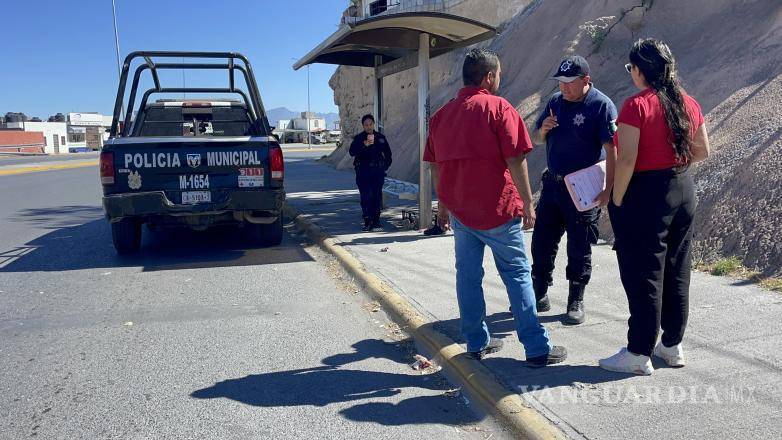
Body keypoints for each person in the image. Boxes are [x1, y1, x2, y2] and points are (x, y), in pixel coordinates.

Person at [424, 48, 566, 367]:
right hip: (498, 211)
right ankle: (536, 348)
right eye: (498, 75)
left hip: (461, 214)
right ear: (489, 77)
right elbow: (516, 160)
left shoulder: (441, 116)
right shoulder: (499, 108)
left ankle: (476, 342)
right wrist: (529, 203)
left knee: (468, 277)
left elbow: (435, 166)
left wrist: (444, 208)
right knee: (516, 274)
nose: (499, 79)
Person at [599, 39, 710, 375]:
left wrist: (616, 198)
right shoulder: (687, 102)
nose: (630, 73)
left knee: (644, 273)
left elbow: (628, 158)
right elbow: (702, 150)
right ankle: (672, 345)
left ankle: (638, 351)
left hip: (646, 194)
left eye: (630, 67)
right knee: (678, 269)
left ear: (640, 70)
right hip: (682, 188)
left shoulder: (636, 105)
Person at [530, 55, 618, 325]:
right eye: (561, 82)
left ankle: (575, 299)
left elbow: (612, 150)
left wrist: (607, 188)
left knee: (579, 246)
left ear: (586, 81)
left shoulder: (601, 106)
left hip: (583, 187)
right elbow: (534, 139)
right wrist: (542, 130)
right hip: (553, 185)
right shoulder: (555, 102)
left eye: (570, 82)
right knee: (542, 243)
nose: (564, 87)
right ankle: (539, 292)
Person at [349, 114, 392, 232]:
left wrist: (384, 167)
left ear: (373, 124)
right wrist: (364, 145)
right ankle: (367, 221)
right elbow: (352, 152)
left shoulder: (380, 137)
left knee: (377, 196)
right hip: (363, 171)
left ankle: (376, 221)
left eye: (370, 124)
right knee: (366, 196)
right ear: (363, 126)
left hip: (377, 172)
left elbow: (388, 154)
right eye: (366, 125)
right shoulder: (359, 138)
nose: (368, 127)